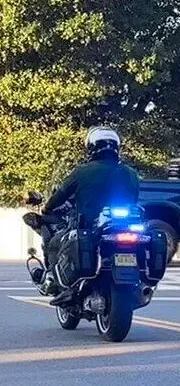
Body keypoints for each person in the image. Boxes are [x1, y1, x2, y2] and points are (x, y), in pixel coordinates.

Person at [32, 126, 140, 295]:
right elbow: (134, 199)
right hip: (127, 226)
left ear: (91, 147)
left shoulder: (82, 171)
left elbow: (60, 195)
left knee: (55, 243)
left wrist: (47, 208)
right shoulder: (131, 173)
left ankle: (54, 280)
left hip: (89, 226)